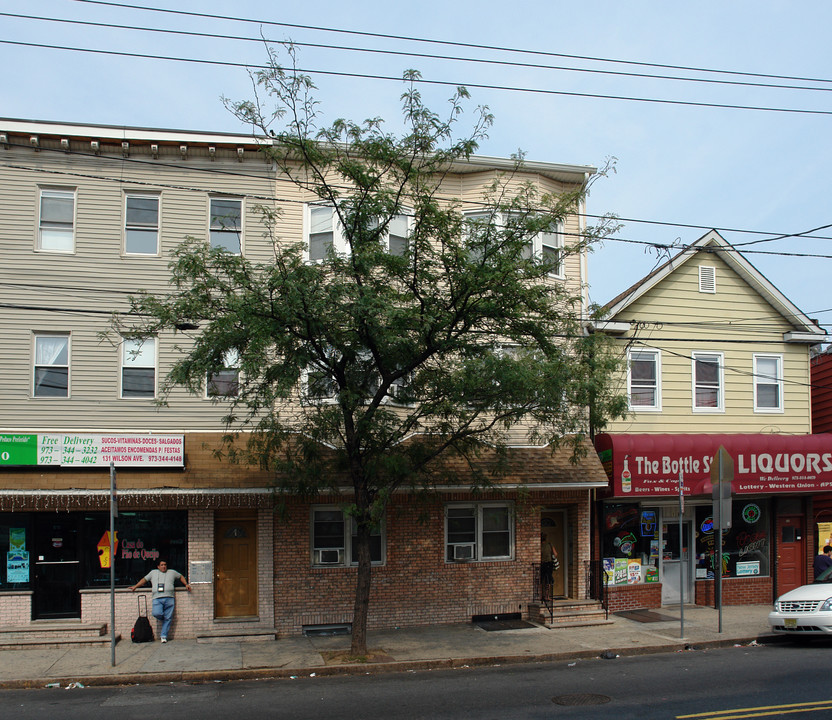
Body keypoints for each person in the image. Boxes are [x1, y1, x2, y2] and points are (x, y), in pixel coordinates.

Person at [130, 558, 191, 642]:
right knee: (156, 613)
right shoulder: (153, 573)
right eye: (162, 565)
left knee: (168, 618)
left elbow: (180, 576)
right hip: (157, 598)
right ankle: (164, 620)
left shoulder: (172, 572)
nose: (164, 567)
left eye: (165, 565)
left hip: (169, 598)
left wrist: (186, 584)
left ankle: (163, 636)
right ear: (158, 566)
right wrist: (135, 586)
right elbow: (144, 579)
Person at [540, 533, 558, 602]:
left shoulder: (539, 546)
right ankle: (547, 596)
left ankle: (541, 596)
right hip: (549, 564)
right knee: (548, 580)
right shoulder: (550, 545)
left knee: (541, 580)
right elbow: (555, 554)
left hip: (542, 564)